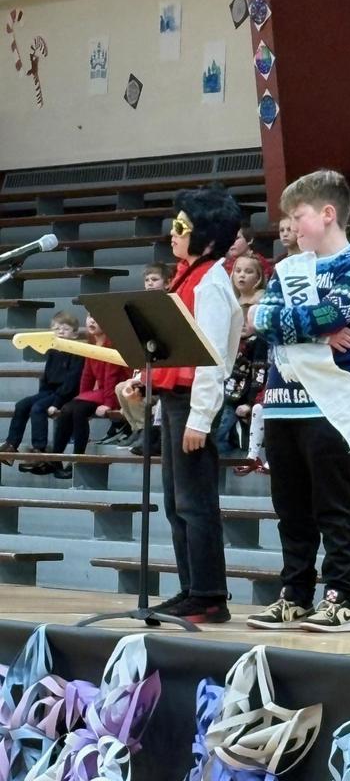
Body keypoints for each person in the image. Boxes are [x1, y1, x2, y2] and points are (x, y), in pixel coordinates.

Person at [246, 169, 350, 633]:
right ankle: (295, 594)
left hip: (329, 403)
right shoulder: (287, 269)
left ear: (326, 214)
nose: (291, 228)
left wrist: (305, 320)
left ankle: (341, 598)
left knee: (335, 506)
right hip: (283, 402)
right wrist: (314, 326)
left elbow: (338, 311)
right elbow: (259, 316)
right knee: (291, 509)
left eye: (297, 216)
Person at [148, 187, 244, 624]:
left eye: (182, 227)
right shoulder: (186, 274)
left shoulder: (210, 282)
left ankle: (208, 593)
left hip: (193, 402)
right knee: (175, 502)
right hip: (174, 400)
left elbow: (212, 358)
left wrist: (201, 418)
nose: (173, 233)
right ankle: (190, 588)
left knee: (194, 502)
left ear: (206, 238)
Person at [25, 315, 128, 479]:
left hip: (116, 392)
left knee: (78, 411)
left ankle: (76, 461)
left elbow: (112, 378)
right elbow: (87, 376)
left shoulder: (112, 345)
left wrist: (109, 404)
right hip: (100, 392)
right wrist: (80, 397)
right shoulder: (91, 344)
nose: (92, 321)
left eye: (96, 317)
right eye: (89, 317)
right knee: (67, 409)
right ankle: (55, 460)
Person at [0, 311, 83, 466]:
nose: (60, 332)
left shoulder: (77, 353)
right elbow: (46, 377)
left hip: (65, 394)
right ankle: (11, 445)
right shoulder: (52, 351)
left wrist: (56, 403)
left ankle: (39, 449)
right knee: (22, 405)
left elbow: (72, 383)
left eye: (65, 329)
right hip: (49, 391)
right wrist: (42, 396)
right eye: (57, 329)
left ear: (75, 334)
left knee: (38, 408)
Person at [110, 262, 174, 451]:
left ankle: (149, 434)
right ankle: (139, 430)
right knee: (122, 387)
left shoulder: (171, 305)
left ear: (168, 283)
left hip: (165, 373)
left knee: (140, 391)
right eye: (147, 280)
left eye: (155, 279)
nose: (150, 283)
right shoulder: (142, 307)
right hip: (148, 367)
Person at [215, 256, 268, 455]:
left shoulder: (259, 340)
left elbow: (259, 374)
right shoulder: (230, 303)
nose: (242, 275)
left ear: (259, 277)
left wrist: (250, 401)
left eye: (248, 271)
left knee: (217, 434)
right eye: (238, 271)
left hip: (238, 398)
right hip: (225, 392)